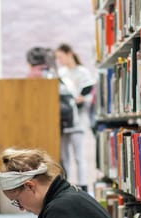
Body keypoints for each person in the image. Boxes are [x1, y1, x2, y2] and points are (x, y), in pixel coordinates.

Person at [55, 43, 96, 192]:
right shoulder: (61, 73)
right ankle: (65, 186)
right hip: (64, 120)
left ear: (69, 53)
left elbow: (90, 95)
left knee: (79, 156)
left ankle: (83, 186)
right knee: (64, 157)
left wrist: (82, 99)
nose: (59, 60)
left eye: (60, 56)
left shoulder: (83, 72)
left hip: (79, 119)